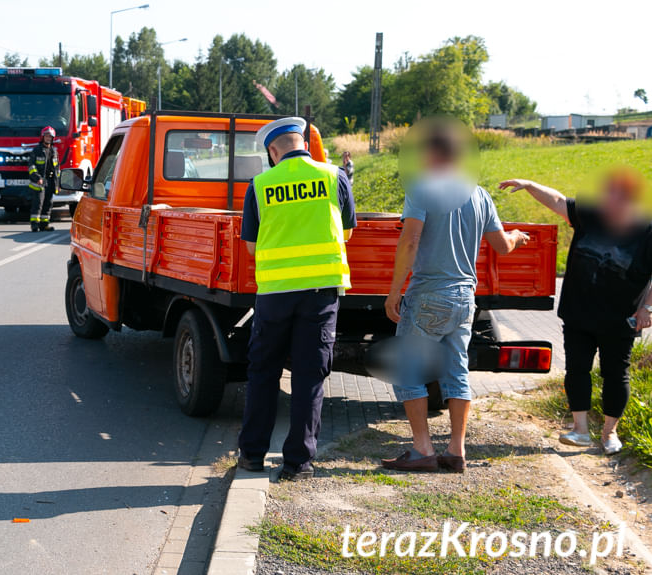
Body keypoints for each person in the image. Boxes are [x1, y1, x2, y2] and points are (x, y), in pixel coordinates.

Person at [382, 118, 528, 473]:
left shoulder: (421, 188)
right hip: (465, 297)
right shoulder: (479, 194)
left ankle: (421, 450)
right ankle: (456, 451)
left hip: (428, 293)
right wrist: (518, 237)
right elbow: (502, 246)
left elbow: (411, 240)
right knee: (456, 370)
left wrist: (393, 291)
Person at [499, 169, 652, 455]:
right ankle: (580, 430)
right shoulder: (592, 216)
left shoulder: (646, 230)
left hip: (621, 319)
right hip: (578, 313)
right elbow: (557, 201)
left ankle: (609, 433)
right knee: (577, 370)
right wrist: (530, 184)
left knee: (616, 375)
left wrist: (648, 308)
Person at [238, 117, 357, 481]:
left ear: (273, 151)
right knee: (309, 377)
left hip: (274, 295)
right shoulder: (335, 176)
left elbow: (251, 245)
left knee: (263, 374)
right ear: (301, 142)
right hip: (320, 293)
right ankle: (297, 464)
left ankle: (252, 456)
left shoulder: (260, 185)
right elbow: (348, 231)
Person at [27, 126, 59, 232]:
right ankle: (34, 225)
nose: (48, 138)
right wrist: (37, 178)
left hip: (50, 181)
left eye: (50, 137)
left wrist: (57, 183)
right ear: (43, 137)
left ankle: (44, 224)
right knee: (38, 203)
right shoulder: (37, 150)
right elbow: (31, 166)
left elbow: (57, 168)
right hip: (39, 181)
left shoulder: (54, 151)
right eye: (46, 136)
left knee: (48, 203)